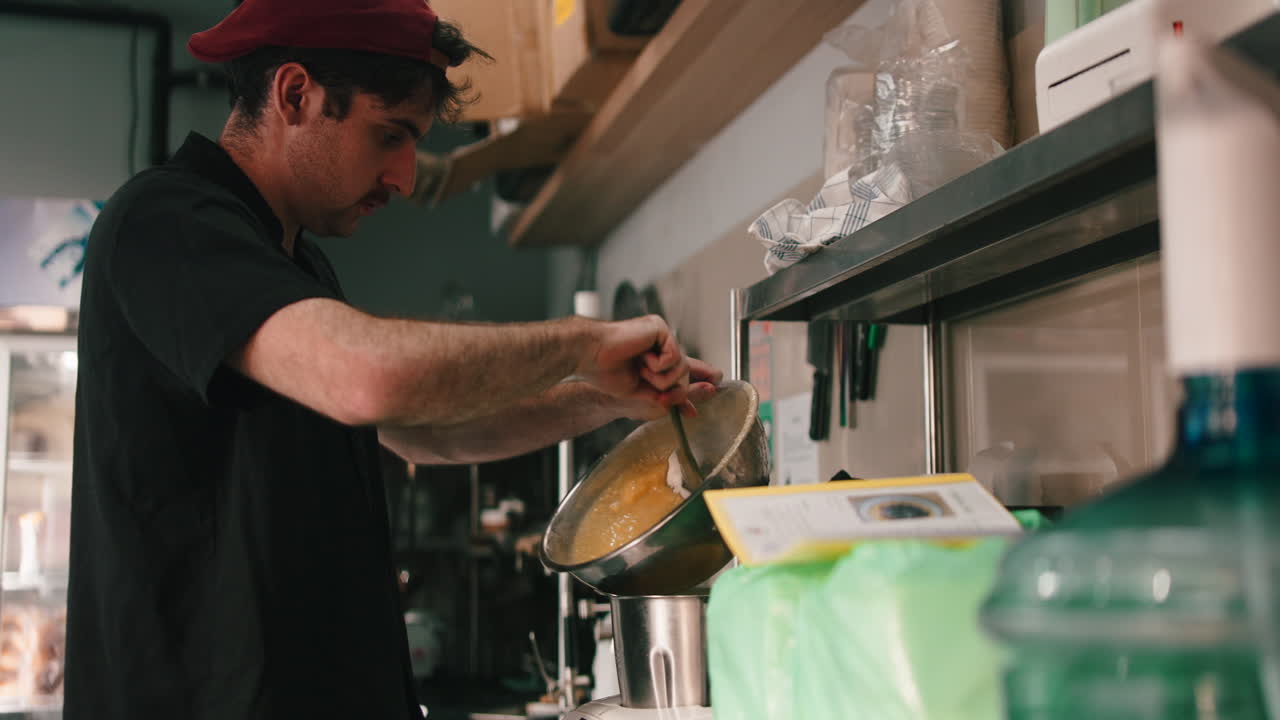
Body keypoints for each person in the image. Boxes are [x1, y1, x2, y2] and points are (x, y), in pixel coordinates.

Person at [64, 1, 722, 718]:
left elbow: (423, 430)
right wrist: (580, 341)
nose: (405, 177)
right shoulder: (165, 221)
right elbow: (370, 380)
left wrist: (600, 398)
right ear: (295, 95)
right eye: (390, 135)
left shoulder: (294, 263)